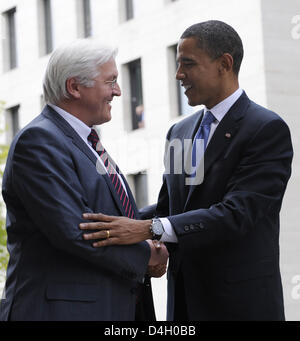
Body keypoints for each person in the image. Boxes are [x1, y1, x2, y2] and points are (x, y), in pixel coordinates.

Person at [79, 21, 293, 321]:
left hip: (241, 306)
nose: (179, 75)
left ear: (224, 64)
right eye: (178, 65)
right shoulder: (179, 132)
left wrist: (144, 229)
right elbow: (171, 207)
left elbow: (237, 214)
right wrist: (113, 224)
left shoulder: (266, 129)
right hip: (184, 304)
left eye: (188, 64)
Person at [0, 39, 168, 321]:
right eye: (110, 81)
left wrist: (167, 220)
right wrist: (146, 256)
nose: (118, 90)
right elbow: (77, 231)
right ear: (74, 87)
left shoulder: (84, 141)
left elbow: (111, 219)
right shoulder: (40, 141)